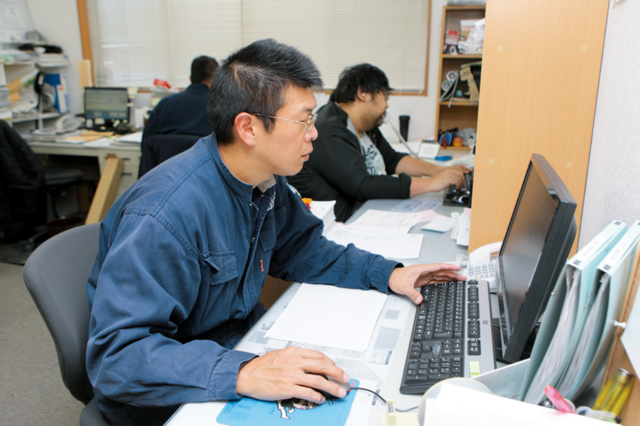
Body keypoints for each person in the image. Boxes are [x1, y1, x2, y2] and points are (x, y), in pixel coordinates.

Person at [86, 39, 465, 425]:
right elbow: (117, 357)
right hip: (177, 393)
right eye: (303, 120)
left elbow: (306, 250)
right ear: (248, 128)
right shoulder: (164, 215)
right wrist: (243, 372)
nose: (314, 134)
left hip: (239, 350)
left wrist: (389, 273)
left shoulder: (264, 183)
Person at [287, 63, 472, 222]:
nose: (387, 105)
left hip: (366, 210)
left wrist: (439, 171)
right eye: (385, 96)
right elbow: (363, 186)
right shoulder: (329, 130)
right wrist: (432, 184)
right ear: (363, 94)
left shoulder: (365, 125)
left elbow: (392, 159)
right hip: (342, 223)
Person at [141, 55, 219, 140]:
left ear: (190, 78)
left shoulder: (164, 104)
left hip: (168, 153)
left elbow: (146, 141)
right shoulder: (219, 106)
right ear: (215, 80)